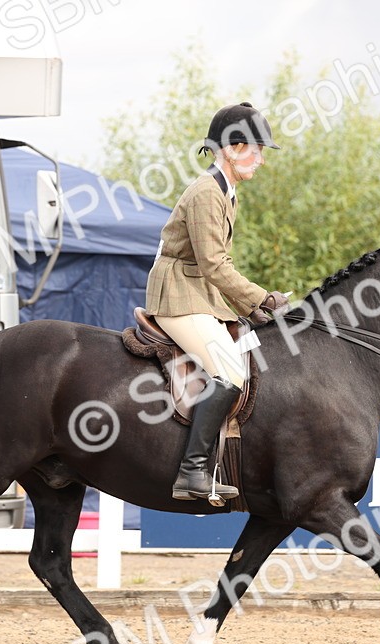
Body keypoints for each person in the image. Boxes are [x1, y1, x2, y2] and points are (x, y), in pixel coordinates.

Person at [145, 102, 290, 501]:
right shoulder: (207, 193)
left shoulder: (225, 191)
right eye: (256, 150)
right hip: (178, 296)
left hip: (199, 293)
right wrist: (262, 297)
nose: (261, 160)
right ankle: (191, 472)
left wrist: (251, 308)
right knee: (230, 371)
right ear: (232, 148)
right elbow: (213, 264)